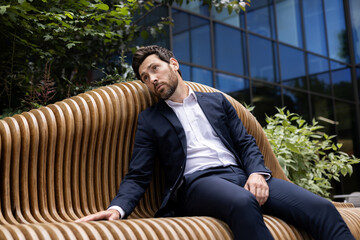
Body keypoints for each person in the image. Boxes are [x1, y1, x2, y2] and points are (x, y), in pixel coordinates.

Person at [77, 45, 354, 240]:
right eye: (145, 77)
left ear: (174, 64)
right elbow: (138, 175)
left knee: (321, 208)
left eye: (155, 69)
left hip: (244, 176)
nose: (152, 79)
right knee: (244, 202)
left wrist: (258, 172)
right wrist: (117, 209)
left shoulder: (216, 101)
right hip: (198, 185)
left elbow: (245, 143)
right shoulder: (151, 120)